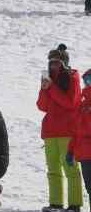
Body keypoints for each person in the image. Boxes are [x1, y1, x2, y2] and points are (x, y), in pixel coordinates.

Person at [37, 44, 83, 212]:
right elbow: (42, 106)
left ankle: (74, 205)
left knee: (70, 168)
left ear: (64, 62)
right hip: (50, 132)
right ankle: (55, 203)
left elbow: (71, 103)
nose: (53, 65)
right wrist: (44, 89)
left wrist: (52, 88)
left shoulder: (73, 77)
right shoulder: (49, 79)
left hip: (68, 131)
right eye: (51, 62)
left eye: (56, 62)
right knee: (53, 170)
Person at [67, 69, 91, 212]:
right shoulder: (82, 105)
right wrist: (70, 150)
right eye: (86, 80)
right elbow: (76, 131)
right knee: (90, 187)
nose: (88, 84)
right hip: (84, 153)